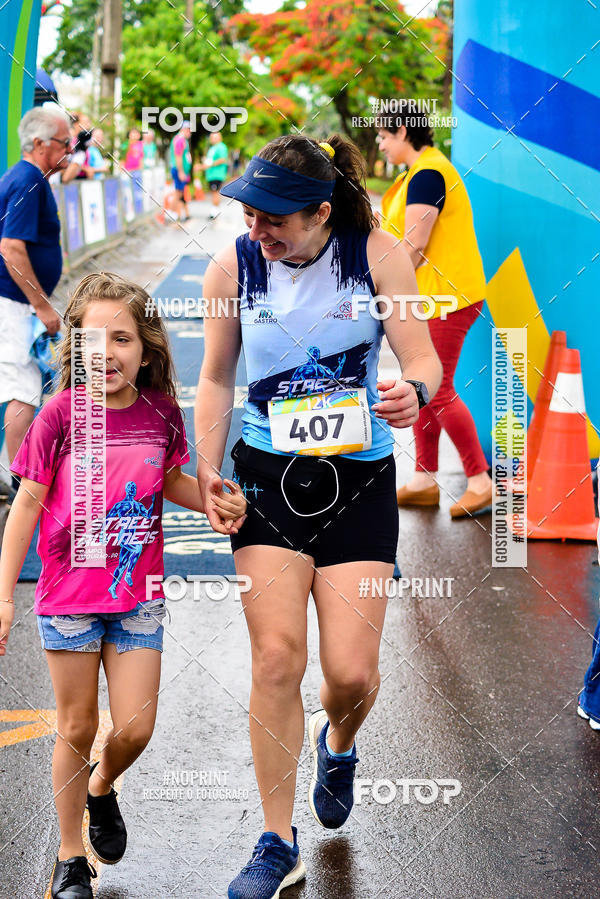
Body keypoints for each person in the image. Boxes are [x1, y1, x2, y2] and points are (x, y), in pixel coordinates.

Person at [195, 133, 442, 899]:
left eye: (274, 219)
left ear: (321, 214)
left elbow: (422, 357)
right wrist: (207, 470)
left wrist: (416, 392)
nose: (257, 230)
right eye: (250, 213)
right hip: (267, 477)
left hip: (358, 480)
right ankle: (276, 841)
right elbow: (212, 376)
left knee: (351, 673)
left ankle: (339, 741)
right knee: (276, 659)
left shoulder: (377, 256)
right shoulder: (233, 267)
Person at [0, 272, 246, 899]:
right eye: (93, 339)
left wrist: (213, 504)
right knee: (76, 725)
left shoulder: (161, 412)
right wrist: (4, 597)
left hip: (138, 597)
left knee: (134, 727)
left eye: (123, 339)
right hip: (68, 599)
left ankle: (101, 787)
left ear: (147, 348)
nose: (107, 352)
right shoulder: (58, 416)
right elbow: (25, 507)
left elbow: (168, 482)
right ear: (74, 347)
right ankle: (68, 856)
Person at [378, 115, 494, 518]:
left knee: (437, 389)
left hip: (447, 296)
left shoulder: (428, 174)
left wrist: (380, 283)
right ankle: (424, 480)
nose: (379, 143)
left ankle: (480, 482)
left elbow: (414, 243)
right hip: (431, 297)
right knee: (421, 386)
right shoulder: (419, 172)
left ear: (403, 132)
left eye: (383, 134)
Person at [0, 106, 68, 474]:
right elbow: (11, 246)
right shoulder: (28, 179)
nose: (68, 151)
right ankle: (20, 481)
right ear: (40, 143)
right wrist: (42, 307)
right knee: (22, 387)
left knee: (21, 383)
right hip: (14, 303)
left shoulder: (29, 177)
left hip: (15, 301)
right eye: (63, 143)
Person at [169, 121, 192, 222]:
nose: (190, 132)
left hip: (181, 170)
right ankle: (171, 213)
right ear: (184, 129)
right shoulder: (179, 140)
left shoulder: (183, 140)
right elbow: (178, 157)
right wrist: (181, 172)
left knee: (180, 192)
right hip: (178, 170)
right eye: (189, 130)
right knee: (178, 193)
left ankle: (179, 214)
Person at [202, 130, 229, 219]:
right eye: (212, 137)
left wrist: (211, 164)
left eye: (215, 137)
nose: (213, 139)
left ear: (219, 138)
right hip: (211, 174)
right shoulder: (212, 148)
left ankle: (214, 211)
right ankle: (214, 210)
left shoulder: (221, 147)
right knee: (213, 192)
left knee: (215, 192)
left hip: (217, 174)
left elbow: (222, 159)